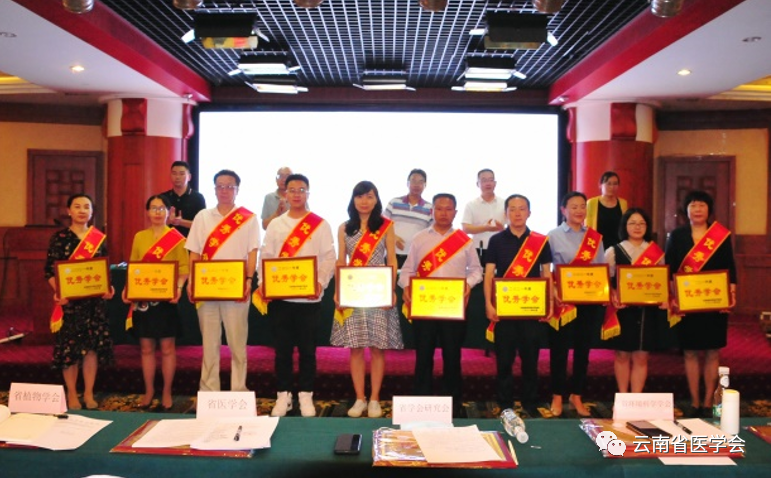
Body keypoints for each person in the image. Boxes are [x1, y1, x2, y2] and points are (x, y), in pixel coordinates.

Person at [259, 173, 336, 417]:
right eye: (292, 190)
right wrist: (264, 284)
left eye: (301, 190)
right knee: (282, 351)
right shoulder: (276, 225)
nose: (296, 194)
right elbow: (266, 256)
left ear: (308, 193)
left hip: (309, 300)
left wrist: (320, 283)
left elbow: (329, 258)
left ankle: (305, 394)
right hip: (281, 299)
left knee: (307, 350)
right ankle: (283, 395)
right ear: (285, 194)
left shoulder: (320, 224)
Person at [399, 193, 483, 417]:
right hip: (425, 309)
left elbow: (477, 270)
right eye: (439, 208)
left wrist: (468, 284)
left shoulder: (464, 240)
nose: (443, 213)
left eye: (448, 209)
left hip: (452, 309)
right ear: (432, 211)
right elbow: (407, 271)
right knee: (423, 356)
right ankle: (421, 403)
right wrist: (407, 287)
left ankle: (452, 405)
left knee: (452, 357)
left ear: (455, 213)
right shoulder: (419, 238)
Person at [331, 181, 403, 418]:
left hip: (378, 292)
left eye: (369, 196)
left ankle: (374, 399)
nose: (364, 201)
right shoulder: (344, 228)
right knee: (356, 347)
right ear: (353, 199)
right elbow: (341, 261)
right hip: (353, 293)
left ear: (376, 200)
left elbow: (391, 260)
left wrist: (391, 289)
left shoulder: (386, 226)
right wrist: (339, 291)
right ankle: (360, 398)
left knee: (378, 348)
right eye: (360, 196)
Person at [664, 190, 737, 418]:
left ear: (709, 209)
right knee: (690, 352)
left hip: (714, 302)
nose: (697, 209)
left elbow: (730, 267)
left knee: (713, 352)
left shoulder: (720, 236)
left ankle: (707, 402)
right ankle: (695, 401)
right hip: (688, 303)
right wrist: (673, 298)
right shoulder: (677, 236)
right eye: (693, 205)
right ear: (686, 210)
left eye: (702, 205)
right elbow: (669, 268)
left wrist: (731, 294)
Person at [186, 170, 259, 392]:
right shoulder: (202, 217)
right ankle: (209, 391)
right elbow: (194, 252)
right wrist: (192, 281)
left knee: (237, 344)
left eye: (229, 186)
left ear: (237, 190)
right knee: (209, 344)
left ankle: (239, 390)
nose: (224, 191)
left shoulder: (248, 218)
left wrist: (248, 280)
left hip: (236, 289)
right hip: (207, 289)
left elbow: (252, 252)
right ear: (214, 189)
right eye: (220, 186)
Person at [483, 194, 552, 416]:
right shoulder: (496, 241)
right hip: (504, 311)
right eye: (512, 209)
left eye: (522, 208)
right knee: (504, 361)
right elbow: (489, 275)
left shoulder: (540, 241)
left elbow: (547, 274)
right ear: (506, 213)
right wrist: (488, 304)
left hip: (531, 311)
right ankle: (505, 404)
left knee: (531, 360)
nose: (517, 213)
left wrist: (549, 303)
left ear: (529, 212)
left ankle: (530, 403)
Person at [45, 193, 115, 410]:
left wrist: (108, 288)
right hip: (70, 304)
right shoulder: (60, 238)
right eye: (77, 206)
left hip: (94, 303)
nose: (82, 210)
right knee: (70, 350)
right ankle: (72, 393)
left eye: (86, 207)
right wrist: (60, 292)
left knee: (91, 349)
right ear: (69, 211)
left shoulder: (98, 238)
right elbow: (49, 270)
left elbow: (104, 269)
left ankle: (89, 392)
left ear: (92, 212)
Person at [122, 194, 189, 410]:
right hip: (144, 300)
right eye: (153, 208)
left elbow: (184, 269)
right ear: (147, 212)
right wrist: (128, 288)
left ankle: (167, 390)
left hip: (166, 300)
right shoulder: (140, 237)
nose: (158, 212)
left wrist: (178, 288)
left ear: (169, 212)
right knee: (146, 348)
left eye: (162, 208)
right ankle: (149, 390)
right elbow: (133, 266)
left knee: (168, 348)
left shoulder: (177, 238)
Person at [547, 191, 605, 417]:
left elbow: (600, 269)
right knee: (559, 350)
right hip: (563, 302)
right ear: (563, 210)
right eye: (574, 206)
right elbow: (547, 269)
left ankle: (577, 395)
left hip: (588, 301)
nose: (579, 211)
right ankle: (557, 395)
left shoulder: (595, 238)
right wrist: (553, 292)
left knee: (583, 350)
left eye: (582, 206)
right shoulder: (553, 236)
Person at [604, 208, 665, 394]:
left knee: (641, 356)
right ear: (625, 226)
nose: (637, 227)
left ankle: (635, 399)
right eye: (632, 223)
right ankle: (623, 397)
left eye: (641, 223)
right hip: (623, 310)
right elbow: (606, 280)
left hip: (647, 311)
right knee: (622, 355)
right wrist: (613, 293)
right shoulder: (613, 251)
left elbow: (661, 280)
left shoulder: (656, 252)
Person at [382, 168, 433, 267]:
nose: (416, 185)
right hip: (392, 255)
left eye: (420, 182)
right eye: (413, 181)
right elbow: (382, 225)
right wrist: (393, 237)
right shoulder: (394, 202)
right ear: (407, 183)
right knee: (391, 277)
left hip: (415, 257)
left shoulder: (430, 208)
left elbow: (430, 234)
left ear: (425, 185)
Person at [462, 168, 506, 256]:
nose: (488, 183)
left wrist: (502, 229)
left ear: (495, 183)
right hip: (478, 248)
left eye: (491, 180)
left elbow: (513, 227)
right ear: (477, 184)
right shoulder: (471, 205)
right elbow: (466, 228)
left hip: (501, 247)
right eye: (484, 180)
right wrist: (486, 228)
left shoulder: (504, 204)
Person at [161, 161, 207, 238]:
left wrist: (181, 222)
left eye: (182, 174)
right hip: (167, 241)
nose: (177, 177)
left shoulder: (198, 198)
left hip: (191, 241)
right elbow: (156, 224)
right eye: (174, 173)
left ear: (189, 177)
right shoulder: (163, 197)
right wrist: (169, 221)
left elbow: (202, 225)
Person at [586, 171, 628, 249]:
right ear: (600, 185)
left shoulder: (623, 203)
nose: (612, 187)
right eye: (608, 183)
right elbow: (587, 227)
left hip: (618, 246)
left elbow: (625, 226)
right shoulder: (591, 203)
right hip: (597, 246)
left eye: (615, 184)